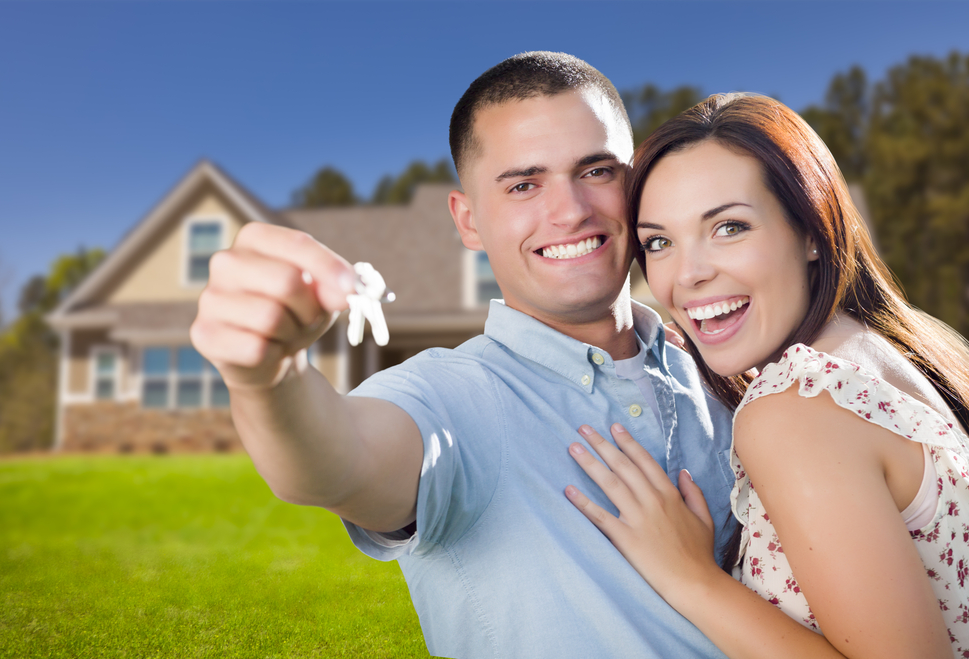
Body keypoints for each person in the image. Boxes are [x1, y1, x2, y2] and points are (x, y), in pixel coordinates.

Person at [191, 52, 738, 658]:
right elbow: (338, 462)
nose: (571, 211)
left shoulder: (719, 370)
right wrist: (269, 379)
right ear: (468, 220)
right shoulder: (453, 396)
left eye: (597, 171)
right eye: (524, 184)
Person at [565, 92, 969, 659]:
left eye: (729, 227)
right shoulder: (885, 349)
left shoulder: (794, 409)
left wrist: (689, 578)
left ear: (810, 230)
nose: (688, 276)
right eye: (659, 242)